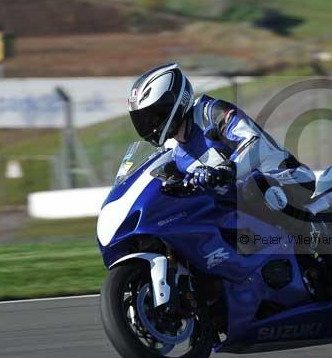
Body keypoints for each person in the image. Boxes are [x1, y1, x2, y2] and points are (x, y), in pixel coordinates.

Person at [126, 62, 318, 232]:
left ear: (175, 102)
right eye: (143, 120)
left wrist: (227, 169)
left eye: (153, 116)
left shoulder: (210, 112)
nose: (149, 125)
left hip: (287, 179)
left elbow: (254, 142)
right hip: (240, 202)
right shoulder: (173, 150)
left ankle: (319, 236)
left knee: (253, 186)